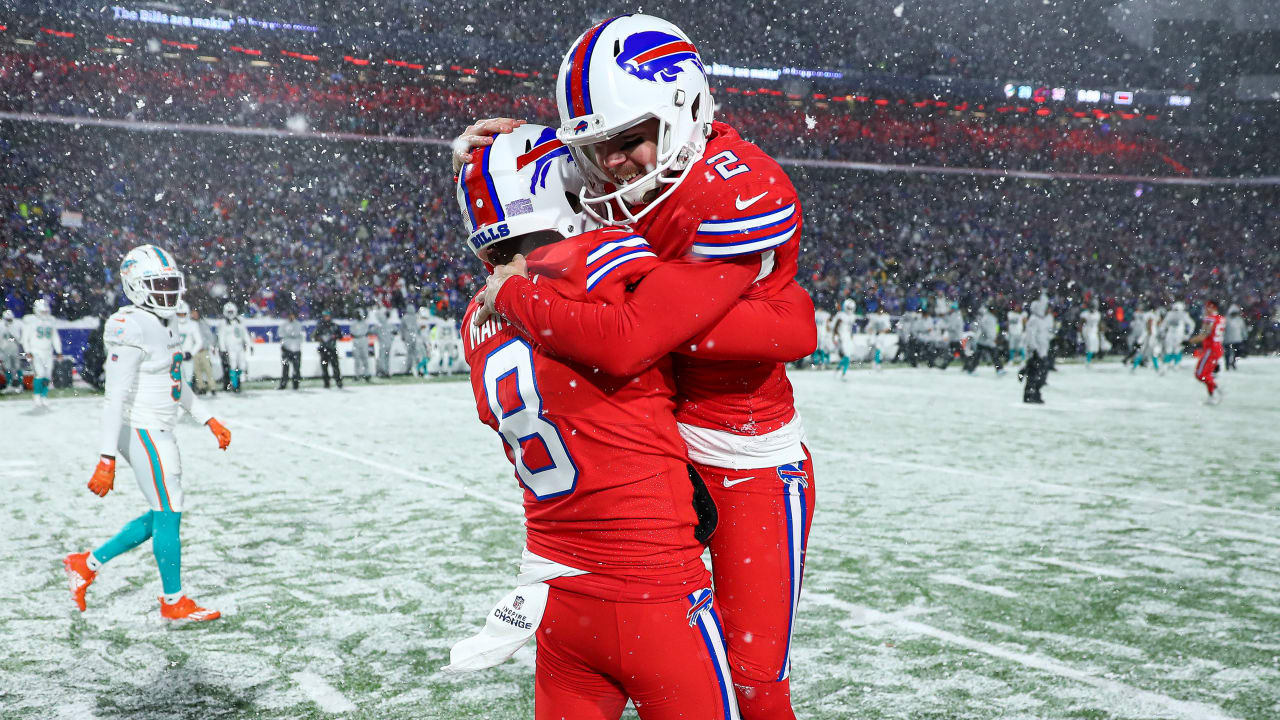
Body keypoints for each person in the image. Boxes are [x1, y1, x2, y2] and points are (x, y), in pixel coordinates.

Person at [458, 17, 818, 716]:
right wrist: (500, 149)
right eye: (595, 147)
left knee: (753, 677)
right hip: (660, 446)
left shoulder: (734, 190)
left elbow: (776, 328)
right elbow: (546, 200)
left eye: (625, 142)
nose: (613, 163)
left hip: (744, 453)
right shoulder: (630, 167)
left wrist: (521, 292)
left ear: (683, 108)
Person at [449, 125, 745, 720]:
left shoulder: (473, 323)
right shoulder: (603, 261)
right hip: (655, 587)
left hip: (558, 596)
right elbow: (699, 205)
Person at [62, 244, 231, 622]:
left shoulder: (165, 322)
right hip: (143, 429)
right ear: (135, 286)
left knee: (163, 513)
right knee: (169, 511)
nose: (168, 291)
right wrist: (106, 457)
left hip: (157, 426)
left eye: (171, 283)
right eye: (159, 284)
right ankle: (173, 602)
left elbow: (174, 380)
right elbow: (114, 395)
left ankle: (86, 563)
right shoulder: (130, 324)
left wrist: (207, 419)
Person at [21, 298, 61, 408]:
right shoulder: (30, 322)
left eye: (46, 311)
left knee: (47, 375)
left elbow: (55, 337)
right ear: (37, 311)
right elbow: (25, 338)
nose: (45, 313)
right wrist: (28, 351)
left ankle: (44, 396)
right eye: (43, 311)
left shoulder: (50, 321)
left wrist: (59, 351)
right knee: (40, 373)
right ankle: (36, 396)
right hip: (35, 351)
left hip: (48, 352)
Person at [1187, 299, 1226, 404]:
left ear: (1212, 307)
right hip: (1217, 349)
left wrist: (1188, 342)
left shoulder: (1210, 319)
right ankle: (1212, 396)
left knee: (1200, 374)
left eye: (1207, 307)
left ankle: (1217, 388)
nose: (1205, 309)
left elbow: (1204, 335)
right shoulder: (1221, 318)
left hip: (1211, 349)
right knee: (1206, 374)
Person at [1022, 294, 1052, 403]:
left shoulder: (1042, 320)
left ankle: (1036, 393)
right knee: (1033, 375)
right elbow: (1031, 336)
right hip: (1035, 352)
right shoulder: (1033, 320)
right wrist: (1034, 349)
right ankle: (1029, 395)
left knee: (1041, 375)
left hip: (1042, 352)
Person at [964, 303, 1004, 374]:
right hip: (987, 340)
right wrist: (993, 338)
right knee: (994, 355)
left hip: (983, 340)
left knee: (978, 356)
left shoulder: (988, 317)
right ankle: (999, 369)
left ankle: (971, 369)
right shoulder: (989, 318)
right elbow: (988, 329)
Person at [219, 302, 250, 392]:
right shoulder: (223, 323)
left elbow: (245, 334)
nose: (230, 314)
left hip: (239, 347)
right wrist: (223, 349)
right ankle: (235, 384)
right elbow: (221, 337)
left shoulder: (240, 321)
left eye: (232, 312)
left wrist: (249, 344)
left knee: (242, 365)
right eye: (228, 312)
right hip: (230, 348)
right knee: (232, 366)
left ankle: (238, 381)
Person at [174, 301, 203, 391]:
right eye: (179, 314)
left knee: (188, 378)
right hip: (175, 355)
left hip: (188, 356)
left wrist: (191, 353)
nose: (181, 316)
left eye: (183, 314)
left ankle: (188, 401)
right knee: (176, 379)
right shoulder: (172, 324)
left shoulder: (193, 325)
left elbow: (199, 342)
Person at [313, 310, 343, 389]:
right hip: (323, 349)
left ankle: (338, 381)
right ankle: (326, 383)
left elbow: (340, 336)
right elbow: (314, 336)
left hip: (332, 348)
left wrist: (334, 336)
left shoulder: (334, 325)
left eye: (327, 316)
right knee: (324, 367)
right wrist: (320, 338)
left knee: (335, 366)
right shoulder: (320, 326)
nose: (326, 317)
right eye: (325, 316)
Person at [1160, 301, 1192, 372]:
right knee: (1169, 349)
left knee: (1177, 349)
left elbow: (1191, 324)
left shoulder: (1184, 315)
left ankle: (1176, 364)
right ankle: (1167, 364)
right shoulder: (1170, 314)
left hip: (1179, 333)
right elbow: (1164, 324)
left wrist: (1188, 334)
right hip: (1171, 333)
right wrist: (1162, 331)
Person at [191, 307, 217, 394]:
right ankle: (201, 387)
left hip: (203, 351)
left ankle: (212, 387)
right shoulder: (189, 324)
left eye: (195, 313)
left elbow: (209, 336)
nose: (194, 314)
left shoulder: (203, 324)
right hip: (194, 352)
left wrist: (206, 345)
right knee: (197, 371)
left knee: (208, 369)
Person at [832, 298, 858, 378]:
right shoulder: (841, 315)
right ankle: (843, 372)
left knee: (848, 355)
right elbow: (836, 327)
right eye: (849, 308)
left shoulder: (853, 316)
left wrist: (852, 336)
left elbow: (852, 328)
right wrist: (836, 336)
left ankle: (839, 369)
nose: (850, 310)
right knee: (846, 355)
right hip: (842, 336)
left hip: (848, 337)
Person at [278, 311, 303, 390]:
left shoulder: (298, 324)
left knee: (296, 368)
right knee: (285, 368)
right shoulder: (284, 324)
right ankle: (283, 384)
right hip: (286, 349)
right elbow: (280, 334)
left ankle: (296, 385)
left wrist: (288, 333)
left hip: (296, 349)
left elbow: (296, 333)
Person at [1, 308, 24, 393]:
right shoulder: (1, 325)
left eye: (10, 319)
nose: (9, 321)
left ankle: (20, 385)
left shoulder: (17, 324)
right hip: (4, 349)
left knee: (17, 367)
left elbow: (22, 333)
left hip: (15, 348)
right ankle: (9, 385)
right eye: (8, 319)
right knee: (7, 368)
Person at [865, 306, 893, 371]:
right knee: (875, 348)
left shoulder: (885, 317)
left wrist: (882, 331)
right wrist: (870, 330)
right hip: (874, 335)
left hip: (881, 335)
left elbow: (889, 328)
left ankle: (877, 363)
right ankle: (875, 362)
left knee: (879, 349)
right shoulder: (873, 317)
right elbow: (869, 327)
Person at [1080, 298, 1104, 368]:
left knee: (1094, 347)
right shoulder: (1085, 314)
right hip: (1087, 330)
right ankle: (1087, 361)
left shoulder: (1098, 314)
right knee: (1090, 347)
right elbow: (1081, 324)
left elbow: (1099, 324)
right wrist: (1080, 333)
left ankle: (1088, 360)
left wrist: (1101, 331)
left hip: (1094, 331)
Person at [349, 309, 372, 382]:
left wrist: (359, 334)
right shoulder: (353, 323)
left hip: (363, 340)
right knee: (357, 359)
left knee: (365, 358)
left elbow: (365, 331)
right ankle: (357, 375)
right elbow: (352, 332)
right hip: (356, 340)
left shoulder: (365, 323)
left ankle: (366, 374)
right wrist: (357, 335)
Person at [374, 306, 396, 378]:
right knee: (386, 358)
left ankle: (383, 372)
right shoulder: (390, 324)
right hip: (389, 344)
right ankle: (387, 371)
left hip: (382, 344)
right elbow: (395, 331)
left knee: (382, 358)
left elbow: (371, 331)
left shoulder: (378, 325)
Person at [1223, 304, 1247, 370]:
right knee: (1227, 354)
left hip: (1238, 339)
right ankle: (1227, 364)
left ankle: (1234, 362)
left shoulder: (1239, 320)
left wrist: (1245, 337)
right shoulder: (1226, 320)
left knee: (1238, 353)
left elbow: (1243, 329)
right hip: (1227, 339)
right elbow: (1222, 329)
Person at [400, 304, 421, 375]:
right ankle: (418, 368)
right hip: (415, 336)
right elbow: (418, 327)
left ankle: (408, 369)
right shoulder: (415, 317)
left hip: (408, 336)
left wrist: (402, 336)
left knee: (409, 353)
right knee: (416, 353)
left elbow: (402, 328)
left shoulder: (405, 317)